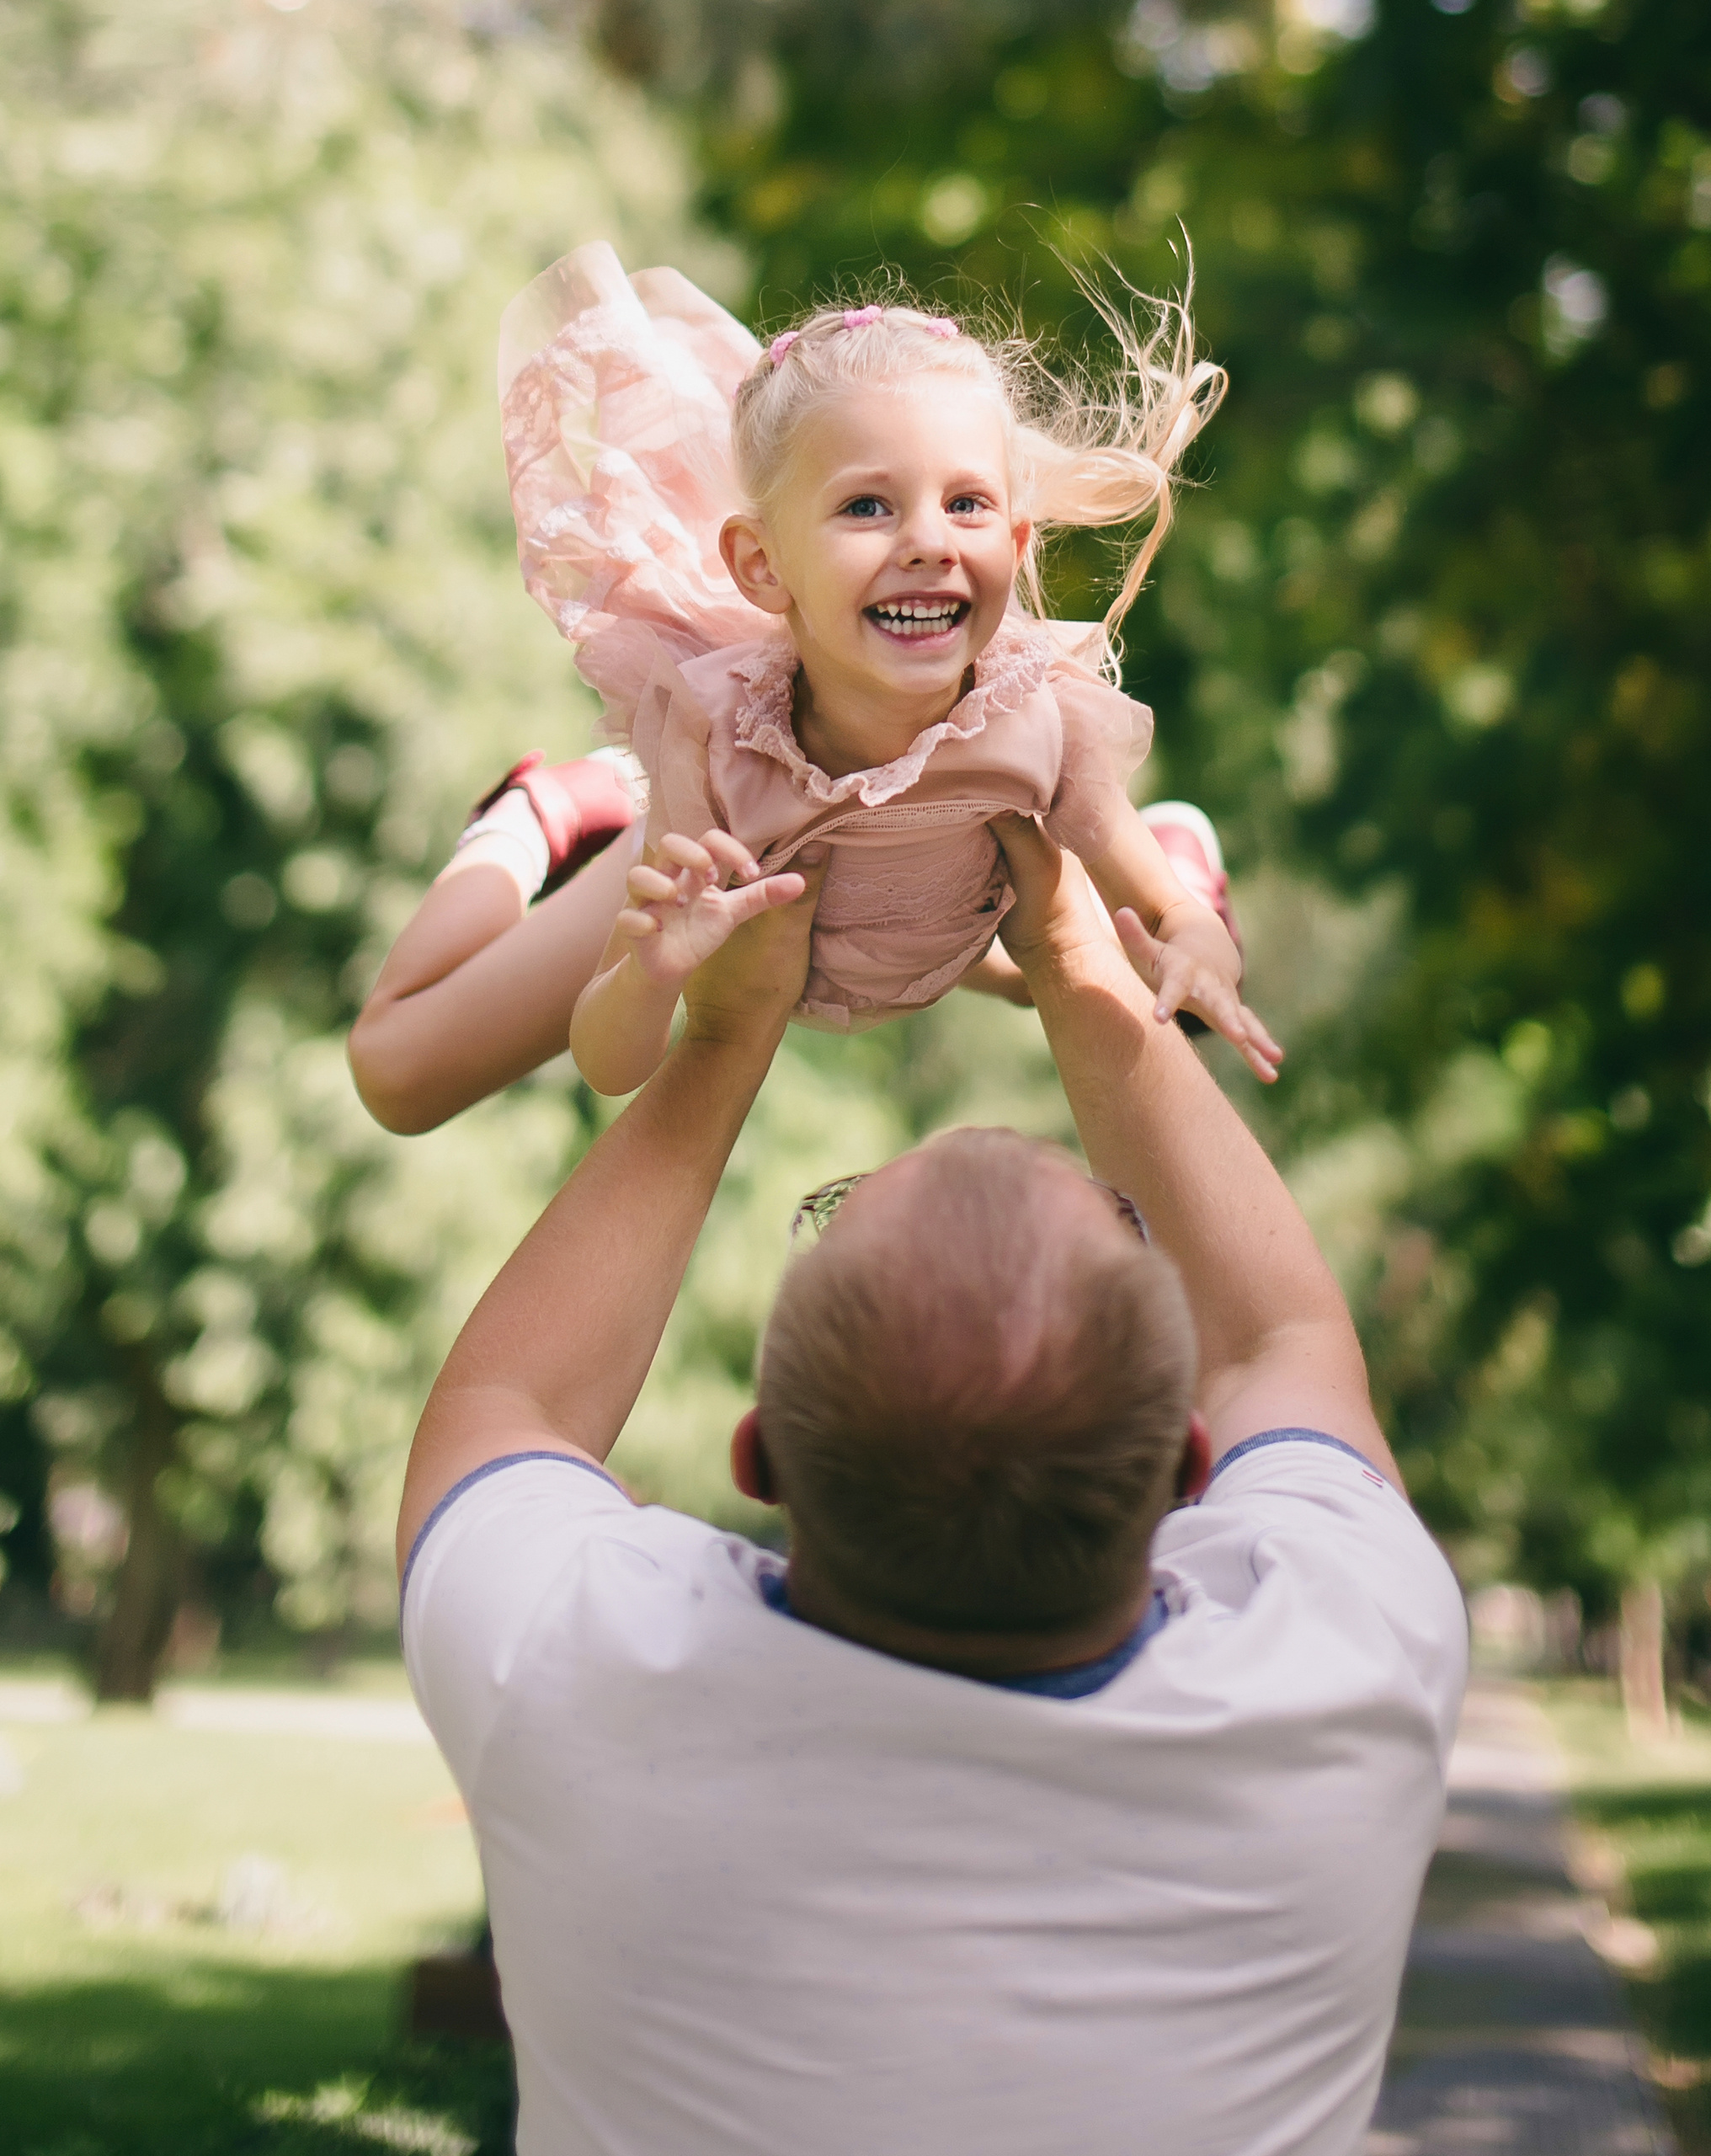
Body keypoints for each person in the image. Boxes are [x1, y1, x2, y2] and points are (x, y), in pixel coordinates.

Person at [397, 814, 1467, 2156]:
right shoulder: (1342, 1687)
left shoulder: (578, 1683)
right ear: (1187, 1467)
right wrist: (1080, 960)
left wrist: (727, 1036)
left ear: (762, 1460)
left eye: (835, 1211)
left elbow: (511, 1405)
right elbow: (1281, 1344)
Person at [347, 243, 1280, 1133]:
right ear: (761, 566)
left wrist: (1198, 939)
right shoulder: (712, 747)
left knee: (1061, 958)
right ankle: (550, 812)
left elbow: (1183, 926)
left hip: (947, 914)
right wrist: (652, 972)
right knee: (397, 1074)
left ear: (1016, 541)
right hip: (753, 846)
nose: (926, 541)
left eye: (966, 504)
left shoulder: (1039, 725)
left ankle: (1165, 841)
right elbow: (610, 1061)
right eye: (868, 506)